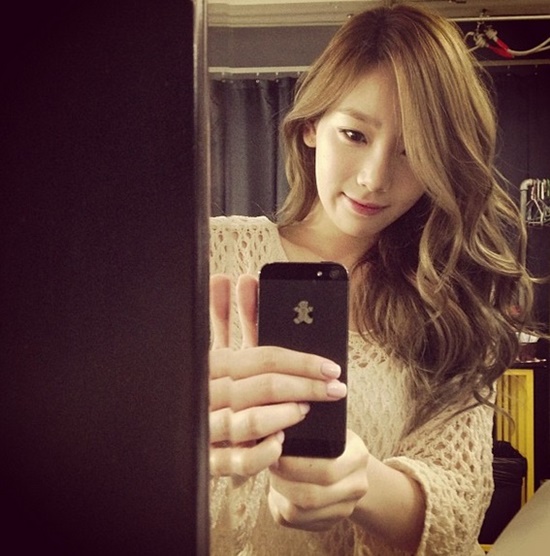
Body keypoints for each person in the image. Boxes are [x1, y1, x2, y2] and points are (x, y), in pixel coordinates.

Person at [208, 4, 537, 555]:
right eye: (354, 134)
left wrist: (361, 480)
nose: (375, 177)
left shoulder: (449, 300)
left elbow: (459, 508)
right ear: (311, 126)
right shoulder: (209, 251)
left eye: (414, 150)